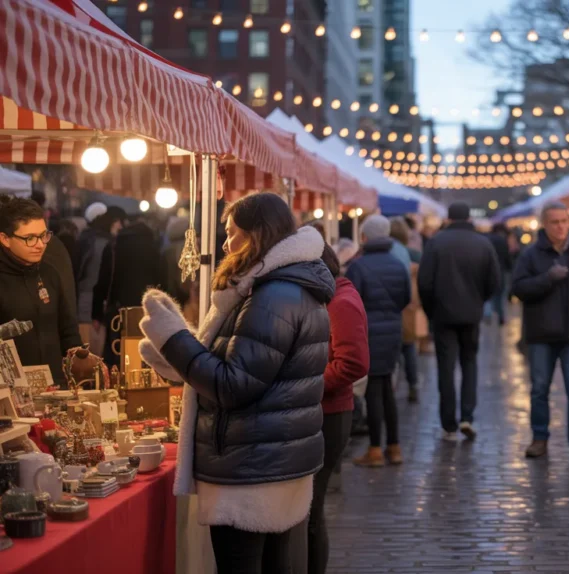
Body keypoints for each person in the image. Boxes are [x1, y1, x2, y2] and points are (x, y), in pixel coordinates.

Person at [136, 193, 333, 573]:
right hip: (267, 458)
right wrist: (175, 357)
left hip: (251, 467)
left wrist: (176, 339)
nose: (226, 244)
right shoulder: (280, 287)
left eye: (233, 233)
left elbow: (234, 384)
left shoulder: (273, 294)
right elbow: (241, 366)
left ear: (257, 235)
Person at [512, 201, 569, 461]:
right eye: (555, 222)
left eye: (564, 221)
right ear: (544, 224)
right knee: (539, 389)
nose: (561, 226)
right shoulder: (531, 254)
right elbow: (517, 288)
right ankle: (539, 438)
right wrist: (547, 279)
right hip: (541, 334)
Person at [309, 243, 369, 574]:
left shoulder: (340, 302)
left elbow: (354, 363)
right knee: (309, 511)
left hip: (329, 414)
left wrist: (307, 384)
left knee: (312, 512)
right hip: (323, 411)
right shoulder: (333, 297)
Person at [418, 202, 501, 441]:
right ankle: (467, 416)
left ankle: (449, 424)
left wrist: (431, 310)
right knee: (469, 364)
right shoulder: (483, 243)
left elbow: (424, 282)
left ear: (450, 218)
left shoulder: (436, 243)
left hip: (443, 315)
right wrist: (478, 300)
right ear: (468, 218)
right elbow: (494, 282)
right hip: (471, 314)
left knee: (446, 367)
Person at [346, 215, 411, 466]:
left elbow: (351, 303)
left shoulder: (358, 266)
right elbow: (405, 298)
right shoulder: (397, 264)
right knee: (387, 390)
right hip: (393, 331)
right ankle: (394, 448)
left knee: (374, 390)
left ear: (365, 237)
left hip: (368, 333)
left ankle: (374, 449)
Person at [0, 196, 81, 388]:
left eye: (44, 235)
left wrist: (79, 359)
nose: (40, 244)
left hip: (56, 386)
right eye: (29, 238)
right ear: (5, 239)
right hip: (10, 394)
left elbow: (67, 328)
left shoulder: (50, 273)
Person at [93, 214, 160, 367]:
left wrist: (96, 313)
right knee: (144, 356)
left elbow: (103, 281)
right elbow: (160, 280)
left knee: (119, 354)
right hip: (147, 311)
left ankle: (118, 385)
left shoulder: (114, 246)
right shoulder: (153, 247)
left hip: (119, 311)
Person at [75, 205, 124, 350]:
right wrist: (97, 314)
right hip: (89, 311)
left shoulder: (85, 238)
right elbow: (96, 280)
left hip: (83, 307)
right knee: (91, 357)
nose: (119, 225)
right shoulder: (101, 243)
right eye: (115, 221)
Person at [391, 217, 424, 402]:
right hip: (406, 304)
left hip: (391, 304)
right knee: (408, 345)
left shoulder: (390, 250)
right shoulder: (406, 252)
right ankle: (413, 384)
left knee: (395, 348)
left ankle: (392, 385)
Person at [485, 222, 513, 325]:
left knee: (488, 295)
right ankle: (500, 315)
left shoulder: (486, 239)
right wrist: (510, 268)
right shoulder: (502, 241)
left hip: (487, 270)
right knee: (500, 295)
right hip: (501, 270)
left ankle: (487, 314)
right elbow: (507, 257)